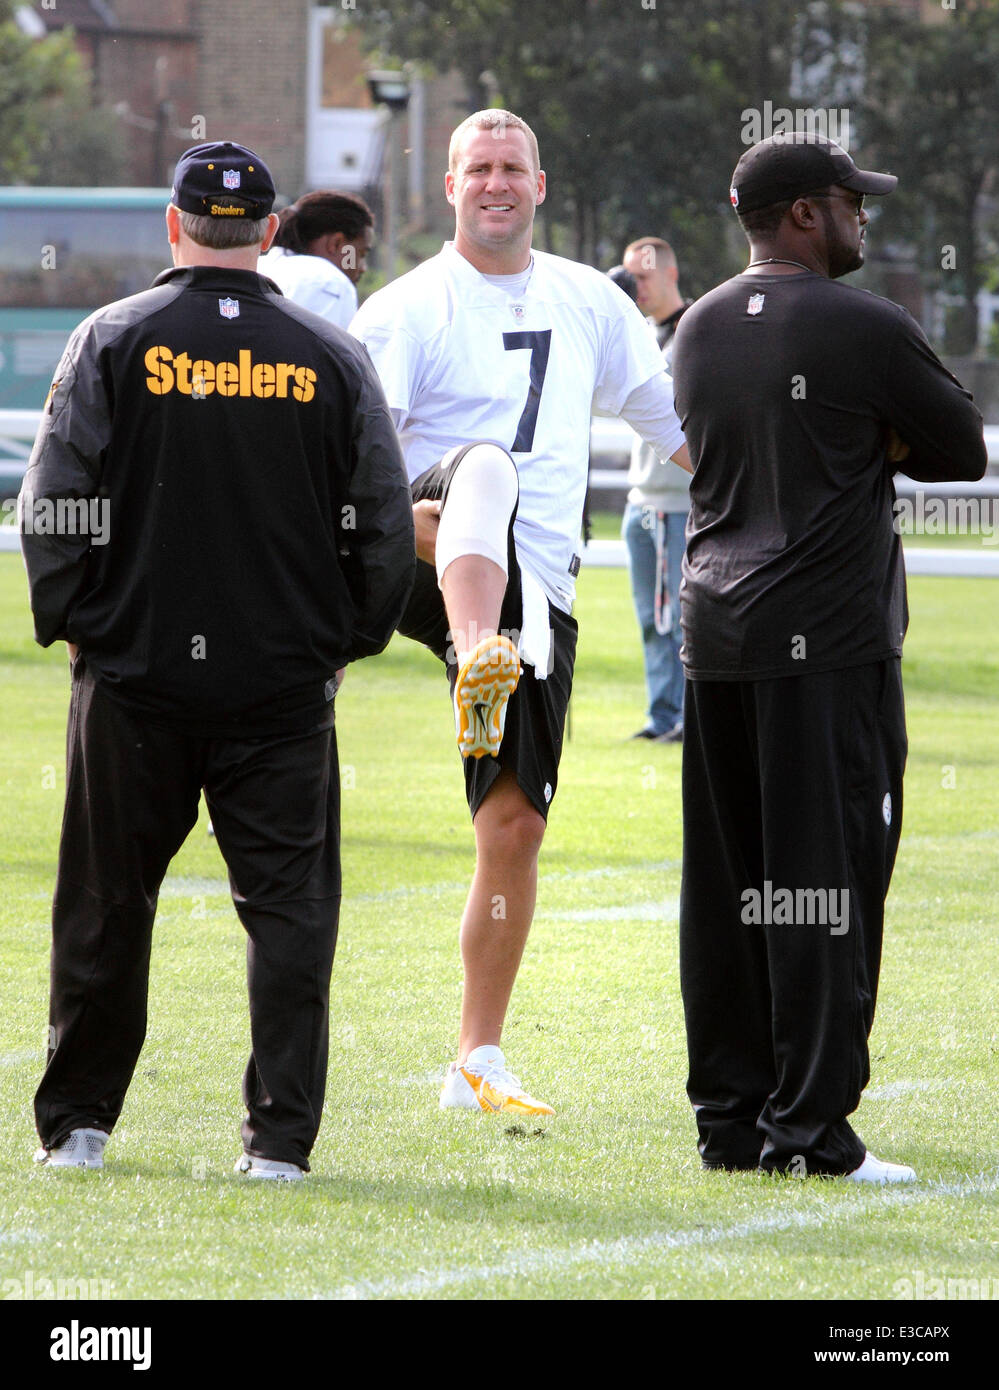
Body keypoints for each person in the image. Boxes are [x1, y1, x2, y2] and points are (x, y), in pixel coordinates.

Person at [20, 141, 414, 1180]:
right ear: (271, 234)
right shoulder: (332, 355)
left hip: (135, 681)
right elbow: (381, 522)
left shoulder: (114, 336)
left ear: (173, 224)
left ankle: (78, 1127)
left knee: (107, 903)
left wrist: (80, 627)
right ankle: (278, 1142)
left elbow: (52, 503)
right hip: (281, 690)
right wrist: (345, 645)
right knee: (288, 916)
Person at [351, 109, 690, 1115]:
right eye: (478, 167)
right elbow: (353, 467)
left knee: (515, 824)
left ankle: (476, 1061)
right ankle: (473, 651)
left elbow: (678, 435)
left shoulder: (592, 301)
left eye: (513, 167)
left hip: (536, 585)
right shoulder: (407, 308)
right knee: (485, 469)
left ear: (540, 186)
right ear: (449, 184)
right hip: (418, 551)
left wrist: (787, 493)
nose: (496, 182)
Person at [671, 132, 987, 1182]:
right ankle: (810, 1132)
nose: (867, 218)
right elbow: (963, 447)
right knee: (825, 885)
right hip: (828, 646)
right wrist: (876, 441)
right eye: (855, 202)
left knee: (730, 891)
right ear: (806, 213)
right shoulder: (866, 325)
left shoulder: (702, 323)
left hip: (714, 638)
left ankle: (731, 1121)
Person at [620, 236, 693, 742]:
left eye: (642, 276)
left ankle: (688, 717)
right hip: (640, 499)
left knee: (681, 618)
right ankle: (661, 714)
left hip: (678, 499)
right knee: (651, 618)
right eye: (628, 278)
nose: (634, 287)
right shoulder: (636, 332)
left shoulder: (695, 330)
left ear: (670, 273)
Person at [258, 190, 374, 328]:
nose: (363, 268)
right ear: (336, 243)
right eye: (361, 254)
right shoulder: (329, 282)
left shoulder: (260, 265)